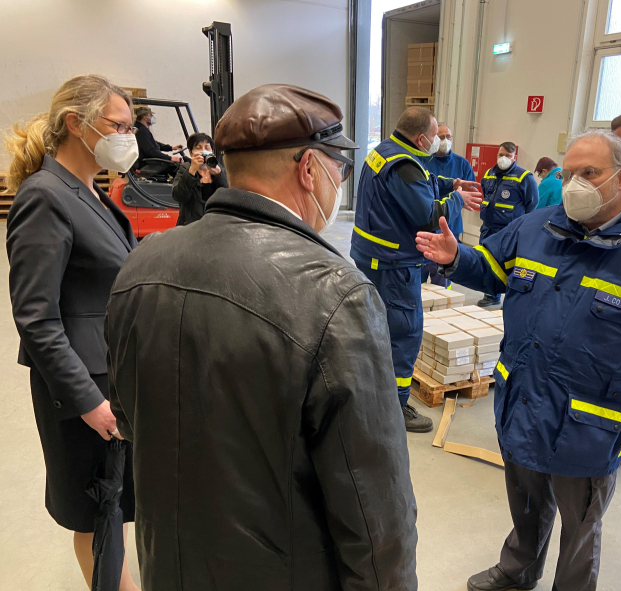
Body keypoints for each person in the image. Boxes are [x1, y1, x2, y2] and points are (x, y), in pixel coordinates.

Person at [105, 84, 418, 591]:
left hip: (168, 563)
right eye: (339, 166)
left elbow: (128, 415)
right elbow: (372, 501)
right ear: (309, 169)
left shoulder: (143, 262)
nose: (341, 178)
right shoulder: (336, 294)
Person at [416, 129, 621, 591]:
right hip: (524, 400)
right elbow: (494, 270)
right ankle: (518, 569)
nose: (575, 182)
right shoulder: (536, 227)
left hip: (591, 423)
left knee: (581, 526)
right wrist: (458, 258)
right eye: (568, 172)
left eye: (589, 173)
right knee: (525, 503)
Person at [5, 75, 139, 590]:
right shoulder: (45, 197)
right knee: (96, 509)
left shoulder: (90, 191)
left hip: (112, 375)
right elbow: (36, 317)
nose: (129, 136)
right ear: (74, 124)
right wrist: (88, 400)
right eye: (119, 125)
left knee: (116, 501)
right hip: (81, 389)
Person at [350, 107, 482, 432]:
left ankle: (372, 393)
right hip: (395, 266)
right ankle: (394, 409)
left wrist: (451, 183)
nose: (439, 140)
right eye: (436, 135)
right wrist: (456, 200)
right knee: (405, 334)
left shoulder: (385, 151)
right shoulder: (405, 165)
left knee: (377, 327)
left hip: (372, 258)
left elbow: (421, 181)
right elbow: (427, 214)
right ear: (422, 138)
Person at [477, 142, 539, 307]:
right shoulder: (489, 174)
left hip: (510, 230)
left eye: (508, 156)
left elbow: (532, 204)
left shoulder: (524, 177)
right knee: (488, 261)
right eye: (501, 155)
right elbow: (485, 194)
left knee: (510, 265)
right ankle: (491, 295)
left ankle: (511, 299)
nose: (503, 158)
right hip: (488, 228)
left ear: (514, 157)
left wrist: (524, 228)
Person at [421, 123, 477, 287]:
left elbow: (469, 193)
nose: (445, 140)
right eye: (441, 136)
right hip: (426, 226)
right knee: (420, 273)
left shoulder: (462, 164)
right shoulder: (424, 162)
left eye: (448, 137)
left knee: (444, 274)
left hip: (451, 226)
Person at [172, 132, 228, 226]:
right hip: (191, 226)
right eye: (198, 148)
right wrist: (192, 171)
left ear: (212, 151)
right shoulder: (185, 169)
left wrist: (219, 175)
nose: (203, 151)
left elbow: (228, 197)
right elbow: (179, 196)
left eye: (207, 148)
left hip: (216, 225)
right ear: (190, 152)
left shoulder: (219, 169)